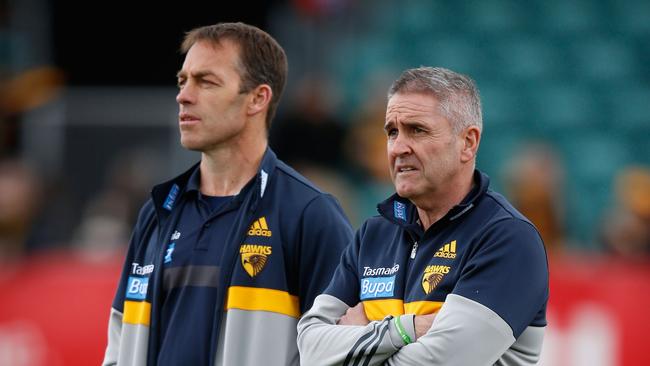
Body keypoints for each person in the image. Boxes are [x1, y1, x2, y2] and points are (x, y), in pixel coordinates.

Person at [102, 22, 353, 366]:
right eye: (182, 81)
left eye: (206, 82)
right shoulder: (157, 212)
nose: (184, 95)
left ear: (257, 99)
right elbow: (119, 342)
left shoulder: (310, 213)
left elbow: (341, 349)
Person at [297, 67, 549, 365]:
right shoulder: (373, 235)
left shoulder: (507, 238)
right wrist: (407, 329)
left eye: (417, 130)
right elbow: (311, 350)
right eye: (392, 131)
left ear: (468, 143)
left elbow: (438, 363)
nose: (398, 148)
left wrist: (358, 339)